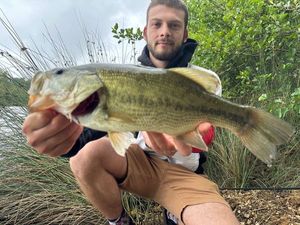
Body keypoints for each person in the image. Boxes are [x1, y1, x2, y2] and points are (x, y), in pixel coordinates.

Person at [22, 0, 240, 224]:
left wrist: (196, 136)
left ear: (185, 34)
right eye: (157, 24)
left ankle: (175, 210)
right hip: (139, 164)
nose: (164, 32)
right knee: (82, 158)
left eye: (174, 26)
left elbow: (205, 130)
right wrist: (62, 140)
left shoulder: (204, 80)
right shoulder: (120, 78)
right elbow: (89, 135)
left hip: (186, 174)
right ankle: (120, 220)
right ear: (146, 32)